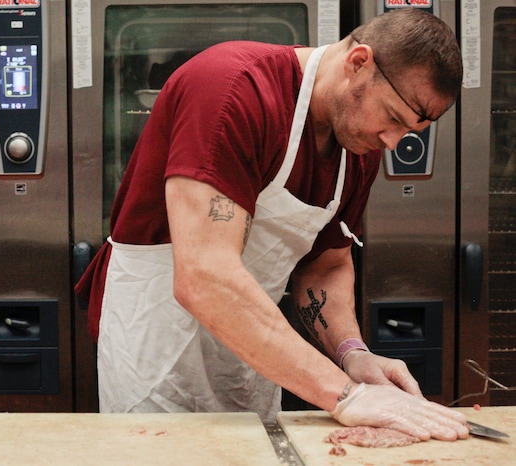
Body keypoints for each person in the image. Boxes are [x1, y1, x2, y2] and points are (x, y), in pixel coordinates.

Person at [75, 8, 468, 441]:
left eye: (409, 132)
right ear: (359, 63)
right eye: (393, 117)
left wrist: (353, 355)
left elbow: (326, 265)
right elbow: (204, 278)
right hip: (158, 350)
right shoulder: (230, 89)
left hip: (253, 357)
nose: (392, 142)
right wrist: (347, 396)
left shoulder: (357, 146)